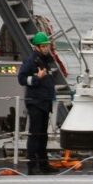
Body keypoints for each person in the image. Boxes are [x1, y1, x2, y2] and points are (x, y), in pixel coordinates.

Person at [17, 32, 59, 175]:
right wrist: (36, 78)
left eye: (47, 45)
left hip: (45, 102)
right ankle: (32, 166)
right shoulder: (31, 61)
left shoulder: (46, 60)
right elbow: (21, 79)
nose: (46, 48)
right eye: (43, 46)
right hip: (35, 102)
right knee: (34, 135)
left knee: (42, 135)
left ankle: (43, 164)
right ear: (37, 47)